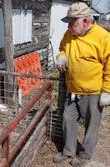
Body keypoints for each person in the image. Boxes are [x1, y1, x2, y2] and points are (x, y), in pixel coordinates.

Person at [52, 2, 110, 167]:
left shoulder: (103, 37)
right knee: (67, 120)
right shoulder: (69, 33)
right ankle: (68, 151)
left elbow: (109, 66)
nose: (69, 25)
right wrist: (61, 56)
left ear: (85, 21)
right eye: (69, 22)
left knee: (91, 124)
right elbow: (62, 48)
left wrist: (107, 90)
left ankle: (85, 155)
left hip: (93, 91)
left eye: (73, 22)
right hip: (72, 89)